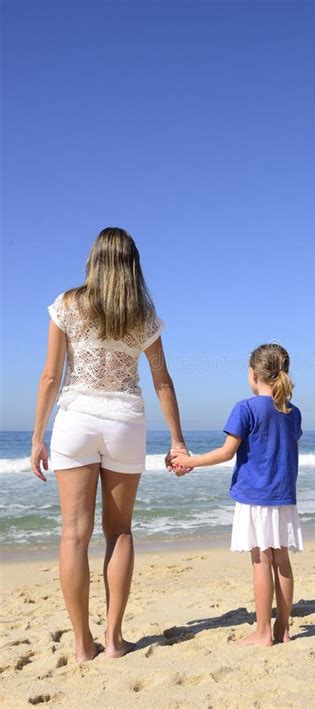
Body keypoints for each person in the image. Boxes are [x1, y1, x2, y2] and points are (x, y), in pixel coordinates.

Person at [30, 227, 189, 662]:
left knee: (74, 536)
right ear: (133, 264)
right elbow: (163, 381)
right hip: (125, 422)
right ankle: (115, 639)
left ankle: (83, 645)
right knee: (119, 532)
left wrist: (37, 436)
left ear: (94, 259)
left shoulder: (67, 304)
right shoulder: (145, 318)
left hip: (76, 421)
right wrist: (176, 439)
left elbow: (49, 377)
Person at [171, 343, 303, 646]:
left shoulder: (246, 408)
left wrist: (189, 461)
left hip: (256, 496)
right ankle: (282, 628)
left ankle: (262, 632)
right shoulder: (292, 412)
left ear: (253, 373)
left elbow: (226, 452)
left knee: (260, 560)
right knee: (281, 560)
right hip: (283, 495)